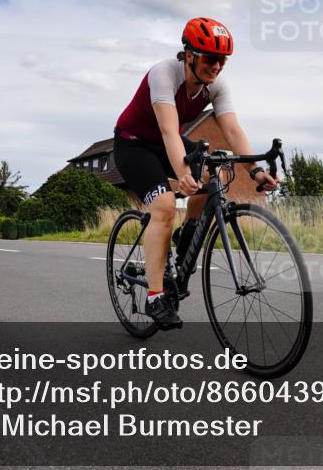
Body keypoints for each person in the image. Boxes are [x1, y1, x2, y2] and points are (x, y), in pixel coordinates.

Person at [113, 17, 279, 330]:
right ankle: (154, 294)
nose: (216, 66)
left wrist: (255, 170)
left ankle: (186, 233)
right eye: (210, 58)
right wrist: (181, 172)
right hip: (134, 144)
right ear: (189, 54)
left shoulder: (216, 86)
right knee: (163, 205)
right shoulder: (164, 74)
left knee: (209, 180)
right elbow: (167, 130)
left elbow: (230, 128)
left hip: (168, 142)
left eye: (222, 61)